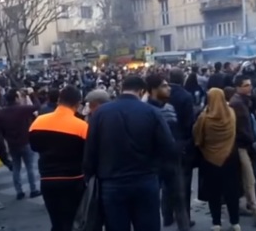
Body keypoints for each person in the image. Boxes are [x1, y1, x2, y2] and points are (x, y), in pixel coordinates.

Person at [83, 75, 176, 231]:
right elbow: (168, 147)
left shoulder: (100, 113)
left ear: (121, 89)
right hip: (145, 180)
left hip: (111, 183)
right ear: (141, 91)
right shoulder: (152, 112)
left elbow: (90, 149)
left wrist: (90, 176)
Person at [29, 85, 87, 231]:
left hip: (48, 179)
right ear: (78, 104)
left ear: (59, 100)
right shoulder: (81, 126)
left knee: (56, 222)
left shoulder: (38, 122)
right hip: (73, 180)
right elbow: (87, 153)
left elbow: (35, 147)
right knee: (72, 220)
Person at [145, 74, 189, 231]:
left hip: (172, 160)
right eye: (164, 86)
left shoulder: (170, 107)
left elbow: (175, 133)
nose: (169, 88)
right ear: (153, 90)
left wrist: (180, 146)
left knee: (179, 199)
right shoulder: (146, 110)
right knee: (152, 203)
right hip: (154, 162)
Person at [193, 88, 241, 231]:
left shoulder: (204, 118)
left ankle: (216, 223)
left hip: (209, 159)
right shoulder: (231, 114)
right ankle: (235, 222)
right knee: (232, 191)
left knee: (214, 192)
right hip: (230, 156)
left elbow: (197, 138)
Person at [229, 74, 256, 227]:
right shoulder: (237, 103)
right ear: (238, 87)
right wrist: (252, 142)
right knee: (249, 180)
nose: (250, 87)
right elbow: (242, 128)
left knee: (246, 180)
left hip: (245, 145)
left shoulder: (243, 101)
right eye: (246, 85)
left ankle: (246, 207)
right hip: (242, 146)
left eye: (250, 84)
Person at [0, 88, 41, 200]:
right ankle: (33, 189)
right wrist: (32, 94)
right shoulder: (21, 109)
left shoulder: (1, 113)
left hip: (12, 144)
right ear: (16, 98)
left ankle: (19, 191)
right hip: (25, 141)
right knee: (29, 167)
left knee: (16, 167)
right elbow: (37, 106)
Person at [168, 68, 196, 226]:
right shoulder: (185, 96)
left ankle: (167, 215)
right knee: (184, 182)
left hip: (166, 141)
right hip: (182, 142)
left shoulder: (164, 93)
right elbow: (189, 123)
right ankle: (184, 217)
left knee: (168, 181)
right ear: (182, 79)